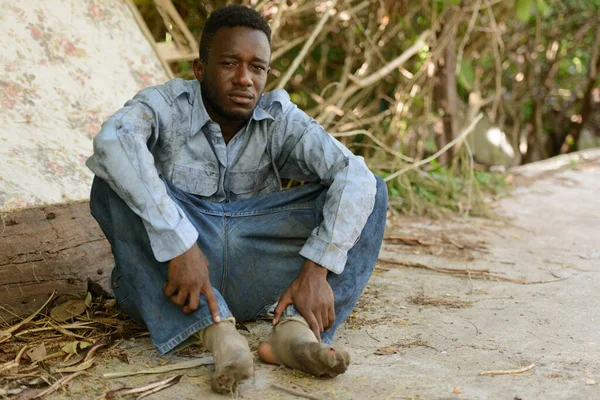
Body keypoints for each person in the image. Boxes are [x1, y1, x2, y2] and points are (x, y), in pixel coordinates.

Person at [87, 4, 387, 394]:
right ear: (200, 69)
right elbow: (113, 141)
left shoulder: (280, 117)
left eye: (257, 67)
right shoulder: (167, 105)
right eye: (229, 63)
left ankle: (295, 332)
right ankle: (217, 335)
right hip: (178, 280)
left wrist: (317, 268)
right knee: (111, 179)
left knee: (371, 189)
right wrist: (180, 243)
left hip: (258, 273)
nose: (244, 79)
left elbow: (355, 176)